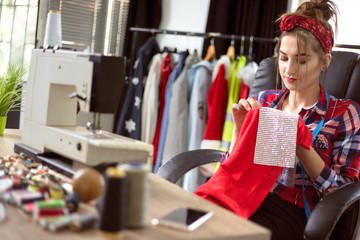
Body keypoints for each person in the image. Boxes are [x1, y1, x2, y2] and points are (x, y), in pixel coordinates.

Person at [195, 0, 360, 239]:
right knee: (191, 219)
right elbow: (234, 170)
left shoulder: (344, 114)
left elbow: (343, 194)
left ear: (324, 62)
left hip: (294, 212)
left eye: (301, 60)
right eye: (283, 58)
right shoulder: (266, 100)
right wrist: (240, 131)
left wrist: (301, 144)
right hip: (247, 197)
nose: (289, 70)